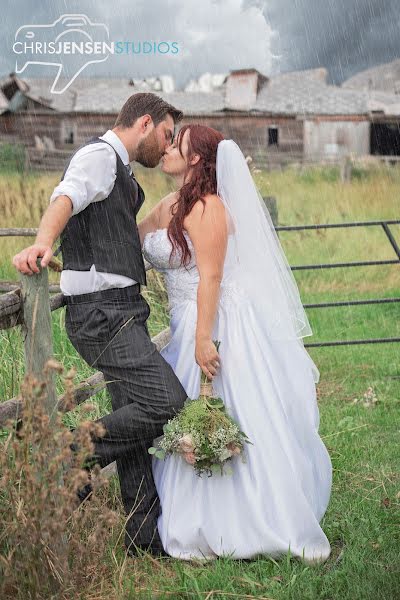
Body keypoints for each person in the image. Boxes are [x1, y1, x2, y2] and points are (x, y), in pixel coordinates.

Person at [138, 124, 332, 563]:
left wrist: (204, 339)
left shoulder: (208, 208)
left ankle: (244, 520)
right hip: (184, 318)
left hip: (209, 322)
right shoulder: (172, 203)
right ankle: (196, 513)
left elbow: (211, 276)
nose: (167, 149)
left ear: (193, 158)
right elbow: (135, 236)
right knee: (185, 413)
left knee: (227, 408)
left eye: (176, 143)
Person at [12, 93, 188, 558]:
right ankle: (72, 454)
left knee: (135, 424)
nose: (166, 146)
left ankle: (142, 537)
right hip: (101, 311)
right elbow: (65, 196)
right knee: (168, 402)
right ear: (145, 122)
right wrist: (42, 244)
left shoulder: (122, 169)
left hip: (121, 308)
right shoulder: (97, 155)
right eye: (167, 135)